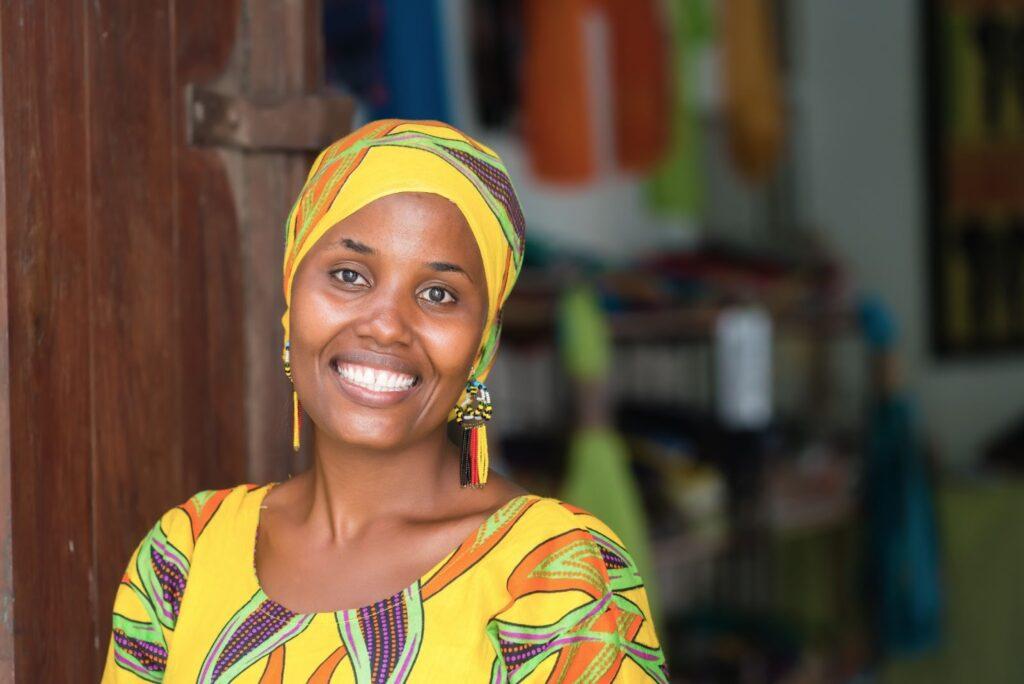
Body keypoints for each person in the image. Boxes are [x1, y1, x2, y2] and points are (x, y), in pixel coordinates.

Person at [101, 120, 669, 682]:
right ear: (291, 303)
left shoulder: (555, 578)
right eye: (349, 275)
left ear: (483, 345)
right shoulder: (186, 554)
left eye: (438, 293)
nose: (387, 326)